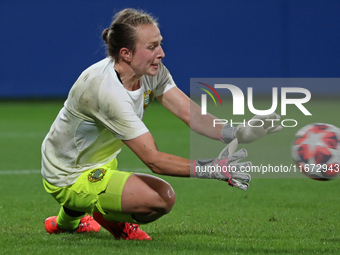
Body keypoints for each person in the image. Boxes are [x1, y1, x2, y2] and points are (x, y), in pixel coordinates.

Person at [42, 8, 282, 240]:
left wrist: (239, 131)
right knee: (159, 199)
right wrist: (212, 168)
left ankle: (65, 222)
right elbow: (154, 160)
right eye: (152, 46)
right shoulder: (106, 92)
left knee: (103, 185)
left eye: (160, 43)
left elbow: (192, 115)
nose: (162, 52)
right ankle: (109, 217)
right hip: (68, 175)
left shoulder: (150, 71)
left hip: (98, 161)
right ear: (126, 54)